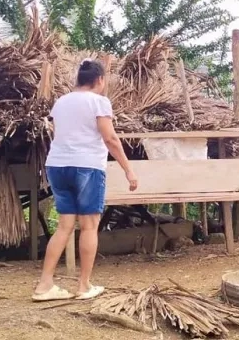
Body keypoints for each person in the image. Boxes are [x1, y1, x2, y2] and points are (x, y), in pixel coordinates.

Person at [32, 59, 139, 302]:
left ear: (78, 79)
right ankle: (83, 285)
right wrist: (128, 170)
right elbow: (110, 138)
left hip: (57, 165)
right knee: (89, 226)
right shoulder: (99, 102)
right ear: (100, 80)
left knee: (64, 226)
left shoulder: (61, 102)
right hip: (87, 166)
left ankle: (44, 285)